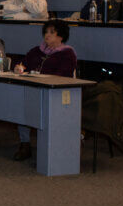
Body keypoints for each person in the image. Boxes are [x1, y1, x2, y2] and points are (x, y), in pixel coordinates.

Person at [11, 19, 77, 161]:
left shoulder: (67, 54)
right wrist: (19, 68)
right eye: (46, 32)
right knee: (22, 105)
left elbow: (64, 76)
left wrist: (42, 77)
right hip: (33, 89)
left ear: (61, 36)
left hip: (54, 94)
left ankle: (48, 148)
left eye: (52, 33)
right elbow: (23, 64)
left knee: (32, 105)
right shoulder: (36, 50)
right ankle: (25, 143)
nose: (47, 35)